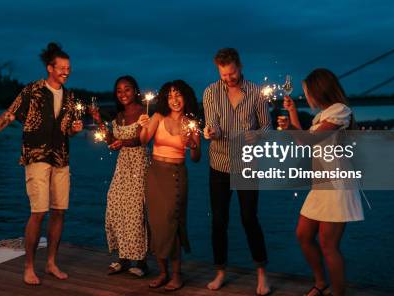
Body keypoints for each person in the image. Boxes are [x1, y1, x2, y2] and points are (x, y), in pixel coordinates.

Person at [0, 42, 83, 286]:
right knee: (38, 212)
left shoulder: (70, 97)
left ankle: (51, 263)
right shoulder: (32, 91)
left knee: (59, 212)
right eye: (62, 68)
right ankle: (29, 266)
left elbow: (67, 130)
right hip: (36, 157)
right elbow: (10, 113)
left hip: (61, 158)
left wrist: (74, 129)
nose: (66, 72)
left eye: (69, 68)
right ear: (50, 68)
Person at [280, 68, 364, 296]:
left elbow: (312, 140)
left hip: (337, 187)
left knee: (328, 245)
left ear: (319, 91)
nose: (306, 96)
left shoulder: (340, 111)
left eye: (307, 92)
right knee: (303, 235)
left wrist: (289, 128)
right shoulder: (322, 116)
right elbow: (303, 142)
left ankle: (338, 293)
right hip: (321, 186)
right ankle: (320, 282)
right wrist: (292, 113)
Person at [202, 47, 272, 296]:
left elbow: (267, 128)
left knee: (248, 218)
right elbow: (213, 126)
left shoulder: (255, 93)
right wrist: (210, 133)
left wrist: (256, 136)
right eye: (223, 75)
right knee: (219, 220)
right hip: (219, 164)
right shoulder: (210, 92)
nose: (228, 79)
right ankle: (220, 271)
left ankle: (262, 274)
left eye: (231, 73)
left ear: (239, 66)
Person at [137, 80, 201, 291]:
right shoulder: (157, 117)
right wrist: (143, 126)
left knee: (172, 223)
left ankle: (176, 274)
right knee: (156, 223)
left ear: (186, 97)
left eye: (178, 95)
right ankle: (163, 273)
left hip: (176, 175)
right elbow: (144, 140)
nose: (174, 100)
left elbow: (196, 157)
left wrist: (192, 144)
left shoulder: (191, 123)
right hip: (155, 174)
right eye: (170, 96)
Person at [91, 76, 149, 277]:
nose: (123, 94)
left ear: (135, 91)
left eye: (127, 89)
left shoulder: (144, 113)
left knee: (136, 211)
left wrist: (122, 143)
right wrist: (99, 122)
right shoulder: (119, 117)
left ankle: (141, 262)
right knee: (115, 205)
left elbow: (141, 139)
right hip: (122, 167)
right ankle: (124, 258)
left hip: (140, 165)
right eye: (119, 91)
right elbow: (111, 141)